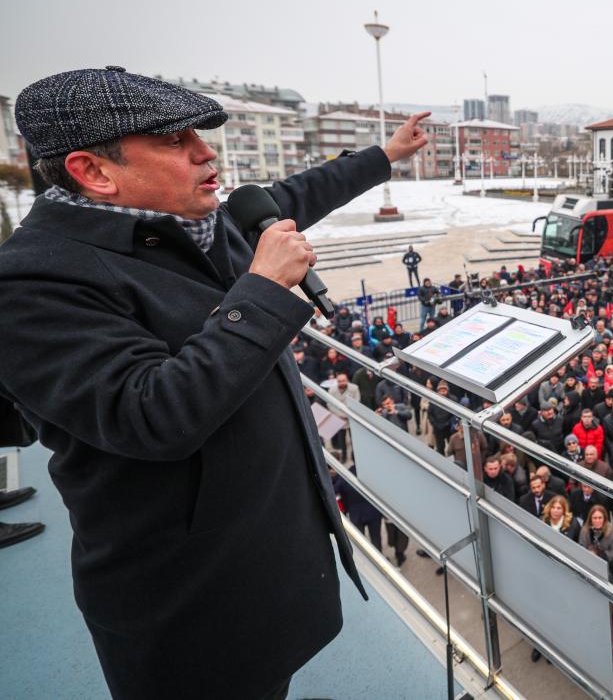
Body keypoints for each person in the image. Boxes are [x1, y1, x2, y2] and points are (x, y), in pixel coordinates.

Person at [0, 67, 432, 698]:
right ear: (93, 171)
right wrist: (260, 290)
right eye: (174, 141)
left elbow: (299, 190)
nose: (207, 152)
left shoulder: (197, 223)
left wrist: (385, 155)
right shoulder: (32, 283)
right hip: (188, 603)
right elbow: (151, 414)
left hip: (263, 566)